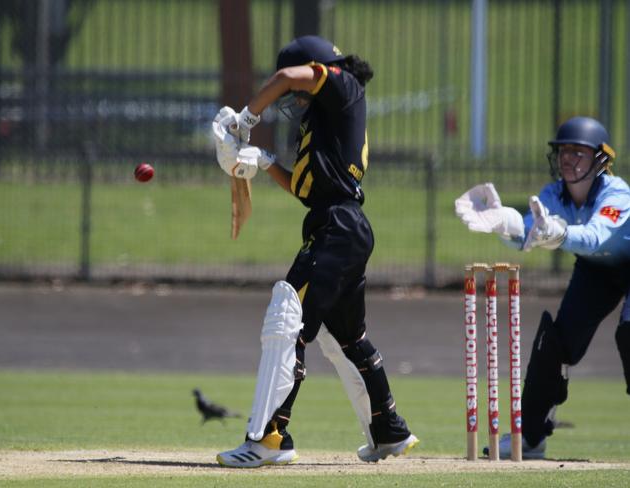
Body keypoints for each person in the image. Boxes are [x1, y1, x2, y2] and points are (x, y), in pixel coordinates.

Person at [211, 35, 418, 467]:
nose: (295, 99)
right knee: (347, 337)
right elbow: (306, 189)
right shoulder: (326, 121)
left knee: (289, 319)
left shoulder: (343, 86)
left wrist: (248, 117)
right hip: (341, 225)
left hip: (337, 228)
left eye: (297, 95)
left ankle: (268, 439)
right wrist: (264, 160)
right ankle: (388, 429)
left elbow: (287, 76)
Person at [455, 116, 630, 459]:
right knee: (554, 343)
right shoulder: (553, 195)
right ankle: (531, 437)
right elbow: (531, 231)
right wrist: (504, 222)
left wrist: (560, 233)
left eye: (578, 152)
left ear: (600, 160)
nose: (567, 159)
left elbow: (596, 236)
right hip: (596, 270)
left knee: (629, 334)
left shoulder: (617, 193)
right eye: (564, 151)